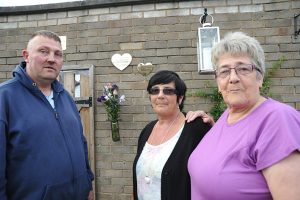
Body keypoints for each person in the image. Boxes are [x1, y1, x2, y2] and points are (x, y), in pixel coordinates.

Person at [188, 31, 300, 200]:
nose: (233, 78)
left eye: (243, 69)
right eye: (224, 71)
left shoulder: (278, 119)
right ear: (218, 82)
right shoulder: (227, 116)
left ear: (260, 77)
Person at [0, 30, 94, 200]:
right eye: (43, 51)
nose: (51, 58)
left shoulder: (66, 97)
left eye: (58, 54)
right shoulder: (4, 98)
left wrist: (88, 183)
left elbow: (81, 143)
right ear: (26, 56)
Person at [132, 70, 212, 200]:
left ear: (180, 98)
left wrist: (214, 126)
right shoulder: (147, 130)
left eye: (168, 91)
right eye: (155, 91)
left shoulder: (195, 128)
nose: (160, 95)